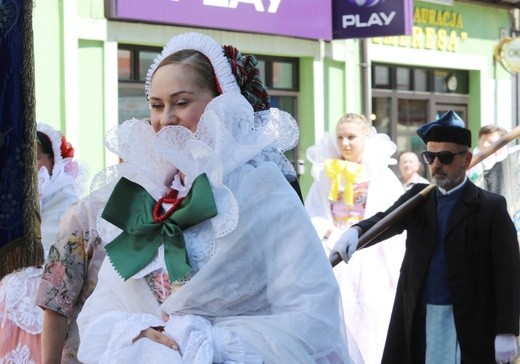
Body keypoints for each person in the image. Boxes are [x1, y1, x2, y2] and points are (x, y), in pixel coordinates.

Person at [76, 32, 350, 363]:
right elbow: (103, 304)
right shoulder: (145, 194)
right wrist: (136, 331)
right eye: (156, 105)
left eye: (181, 103)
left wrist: (207, 343)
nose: (166, 119)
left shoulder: (261, 191)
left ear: (222, 103)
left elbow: (313, 314)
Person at [331, 110, 520, 363]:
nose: (436, 165)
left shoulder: (489, 207)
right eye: (430, 156)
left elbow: (508, 273)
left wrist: (506, 330)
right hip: (420, 315)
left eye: (445, 156)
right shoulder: (418, 198)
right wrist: (356, 231)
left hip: (469, 318)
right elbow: (386, 220)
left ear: (466, 160)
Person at [305, 113, 405, 364]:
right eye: (340, 137)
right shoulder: (326, 175)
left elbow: (391, 217)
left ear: (365, 138)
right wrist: (331, 233)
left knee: (372, 317)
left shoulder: (381, 175)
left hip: (372, 256)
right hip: (333, 253)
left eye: (351, 137)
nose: (345, 143)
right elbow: (312, 213)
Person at [0, 123, 85, 363]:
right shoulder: (12, 206)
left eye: (34, 159)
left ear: (53, 160)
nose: (28, 169)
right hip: (9, 311)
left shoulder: (70, 204)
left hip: (48, 310)